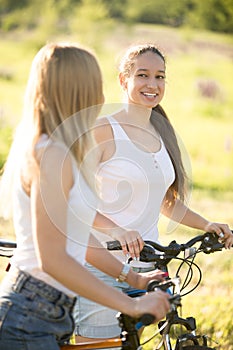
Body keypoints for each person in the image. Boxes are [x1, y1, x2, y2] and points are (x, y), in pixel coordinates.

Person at [0, 42, 171, 350]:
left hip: (48, 310)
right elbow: (52, 259)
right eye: (95, 84)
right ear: (76, 89)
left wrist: (132, 279)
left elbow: (76, 237)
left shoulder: (60, 150)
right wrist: (129, 304)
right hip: (30, 312)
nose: (102, 95)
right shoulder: (49, 153)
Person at [74, 43, 233, 340]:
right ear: (123, 80)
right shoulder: (102, 130)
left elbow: (165, 203)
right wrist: (118, 230)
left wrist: (206, 224)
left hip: (149, 268)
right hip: (101, 266)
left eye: (160, 77)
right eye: (143, 75)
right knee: (99, 346)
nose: (152, 84)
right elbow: (72, 201)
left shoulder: (162, 132)